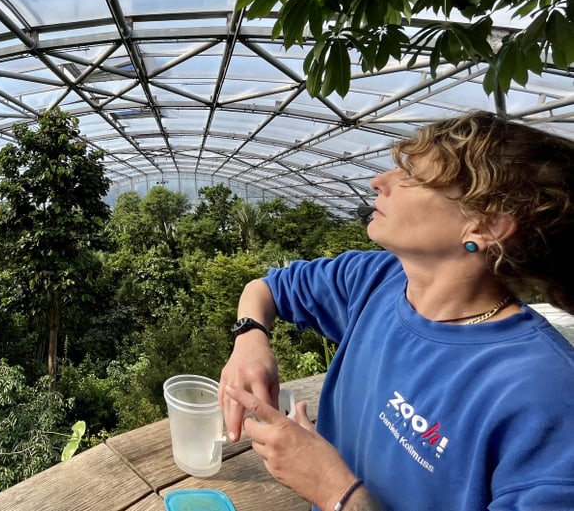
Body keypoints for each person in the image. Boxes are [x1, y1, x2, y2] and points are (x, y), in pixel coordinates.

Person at [218, 111, 574, 511]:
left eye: (413, 176)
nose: (379, 181)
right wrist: (249, 338)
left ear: (485, 226)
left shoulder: (544, 397)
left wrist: (336, 492)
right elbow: (265, 288)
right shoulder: (375, 278)